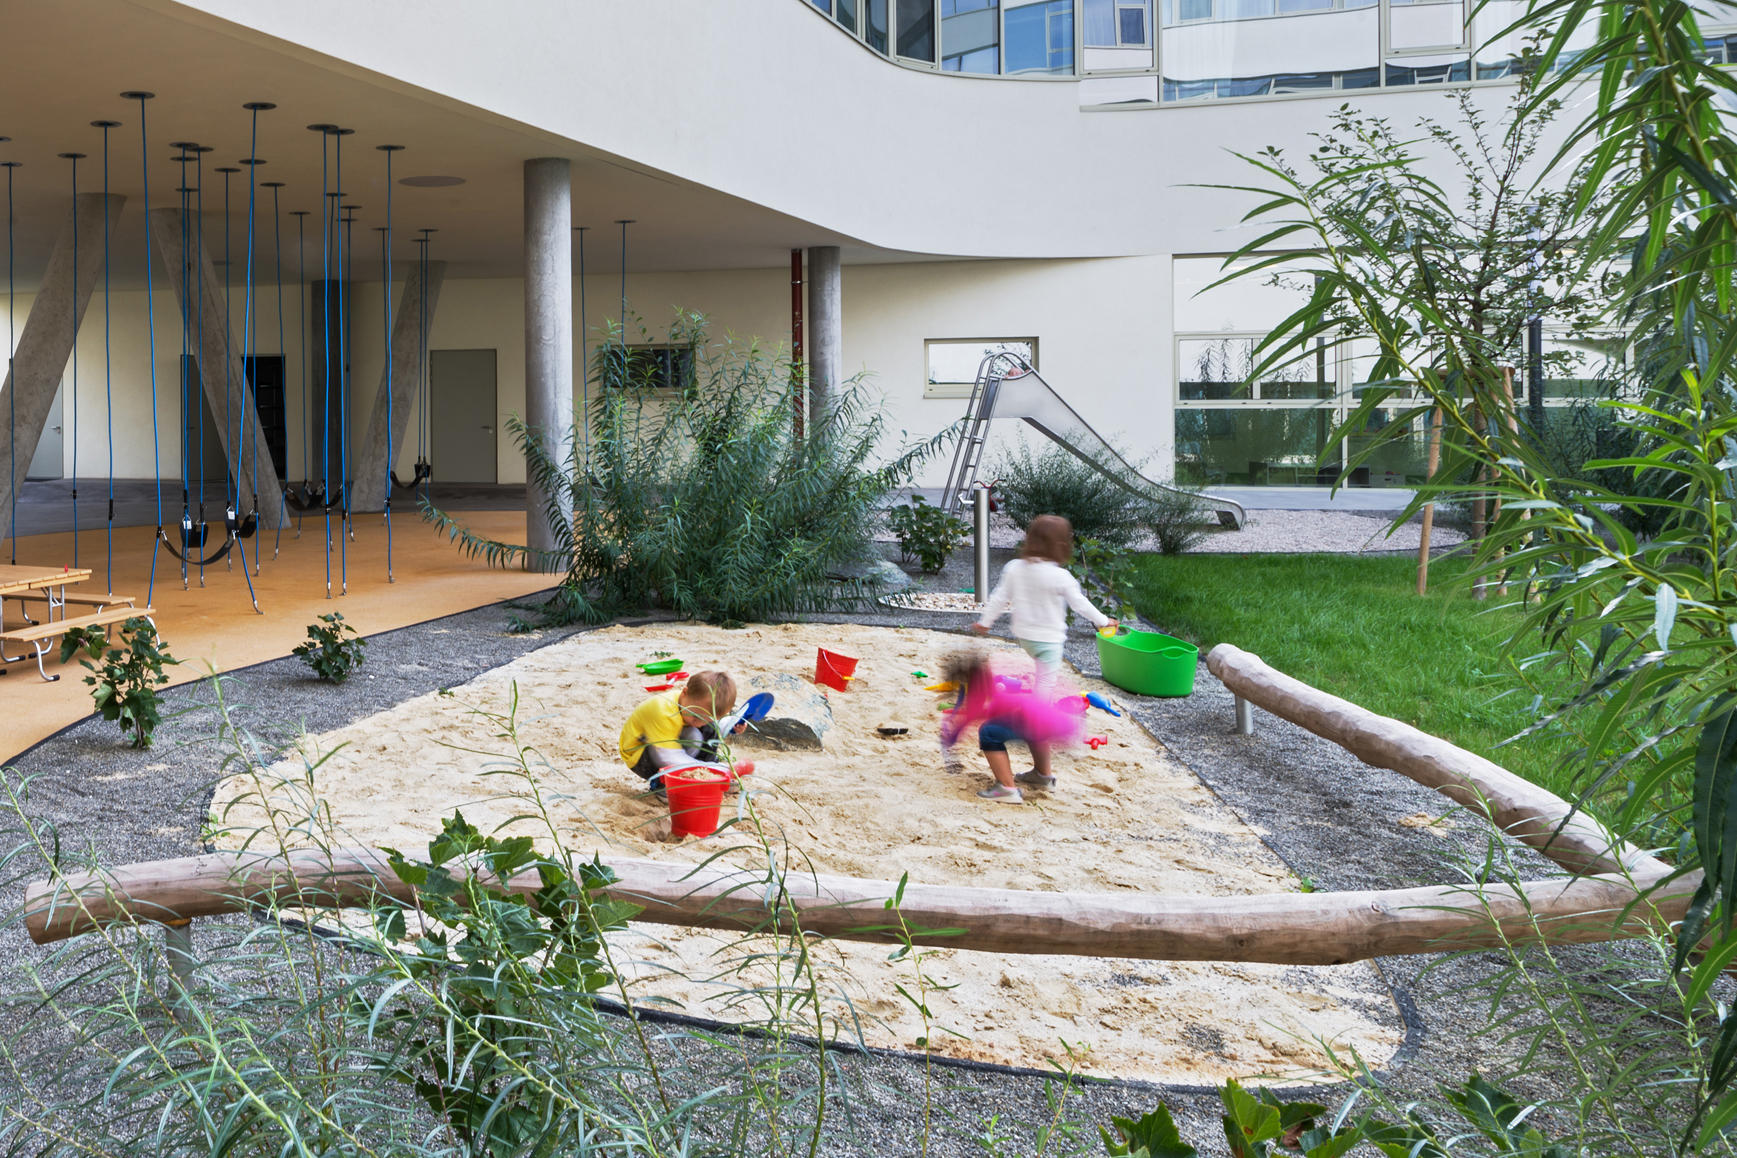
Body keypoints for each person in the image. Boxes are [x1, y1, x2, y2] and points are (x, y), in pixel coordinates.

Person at [973, 513, 1116, 686]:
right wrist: (1104, 621)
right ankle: (1037, 709)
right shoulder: (1061, 576)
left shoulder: (1014, 568)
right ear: (1062, 546)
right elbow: (1080, 604)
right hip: (1049, 641)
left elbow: (999, 598)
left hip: (1024, 636)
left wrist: (985, 621)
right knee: (1046, 682)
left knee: (1041, 673)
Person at [938, 649, 1085, 804]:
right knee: (1034, 731)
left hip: (1041, 722)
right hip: (1056, 721)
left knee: (988, 732)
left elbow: (968, 719)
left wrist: (951, 737)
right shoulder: (999, 685)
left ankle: (1006, 789)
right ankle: (1043, 777)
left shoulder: (980, 695)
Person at [618, 670, 745, 798]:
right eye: (696, 718)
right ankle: (664, 786)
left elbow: (712, 722)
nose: (699, 723)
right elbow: (667, 756)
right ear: (684, 693)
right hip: (641, 754)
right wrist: (708, 768)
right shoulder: (663, 711)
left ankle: (707, 780)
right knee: (693, 736)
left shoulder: (692, 704)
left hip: (667, 742)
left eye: (709, 718)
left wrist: (731, 726)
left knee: (707, 728)